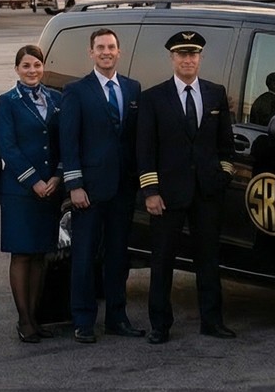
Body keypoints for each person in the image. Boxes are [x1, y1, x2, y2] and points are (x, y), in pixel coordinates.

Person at [137, 29, 236, 343]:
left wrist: (224, 175)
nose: (188, 60)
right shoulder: (153, 97)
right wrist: (151, 191)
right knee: (162, 260)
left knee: (208, 259)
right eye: (182, 54)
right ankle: (160, 325)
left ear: (200, 58)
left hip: (207, 192)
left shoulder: (215, 93)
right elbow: (144, 149)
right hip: (167, 194)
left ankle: (212, 321)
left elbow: (226, 144)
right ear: (172, 58)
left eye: (193, 54)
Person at [58, 28, 145, 343]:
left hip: (123, 188)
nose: (106, 52)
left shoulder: (132, 89)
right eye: (100, 48)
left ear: (119, 52)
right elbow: (68, 142)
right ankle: (83, 320)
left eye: (111, 47)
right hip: (90, 190)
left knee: (118, 257)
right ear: (91, 53)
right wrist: (75, 184)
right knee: (84, 256)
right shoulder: (76, 90)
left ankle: (116, 318)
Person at [0, 45, 62, 343]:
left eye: (36, 65)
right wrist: (33, 180)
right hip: (21, 190)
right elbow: (8, 147)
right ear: (17, 69)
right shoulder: (7, 102)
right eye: (26, 66)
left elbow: (65, 141)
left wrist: (58, 176)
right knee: (22, 253)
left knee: (40, 254)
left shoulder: (56, 99)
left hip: (50, 189)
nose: (32, 70)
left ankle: (35, 318)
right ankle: (23, 319)